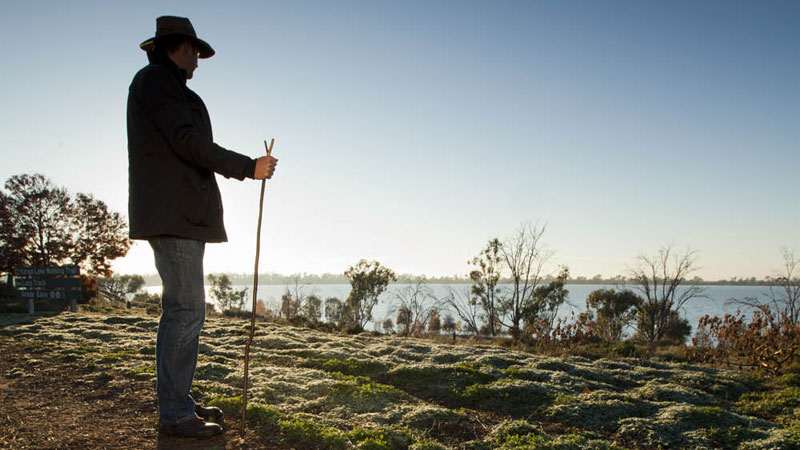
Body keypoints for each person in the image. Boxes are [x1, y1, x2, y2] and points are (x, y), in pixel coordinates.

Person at [127, 16, 277, 438]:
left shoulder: (167, 86)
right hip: (174, 216)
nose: (197, 61)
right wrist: (248, 167)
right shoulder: (157, 82)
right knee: (186, 310)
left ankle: (178, 402)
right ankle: (174, 413)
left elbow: (186, 143)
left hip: (180, 214)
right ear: (178, 48)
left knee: (182, 310)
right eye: (194, 52)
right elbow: (189, 143)